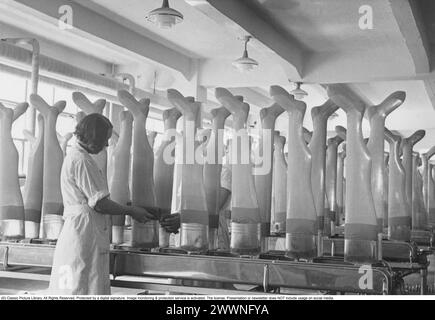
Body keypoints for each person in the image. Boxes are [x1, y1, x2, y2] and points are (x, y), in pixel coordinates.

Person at [48, 114, 161, 295]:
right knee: (80, 284)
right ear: (94, 137)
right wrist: (131, 210)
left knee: (83, 283)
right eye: (105, 140)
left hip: (83, 229)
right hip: (83, 232)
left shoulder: (79, 157)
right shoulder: (82, 161)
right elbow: (100, 203)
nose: (107, 145)